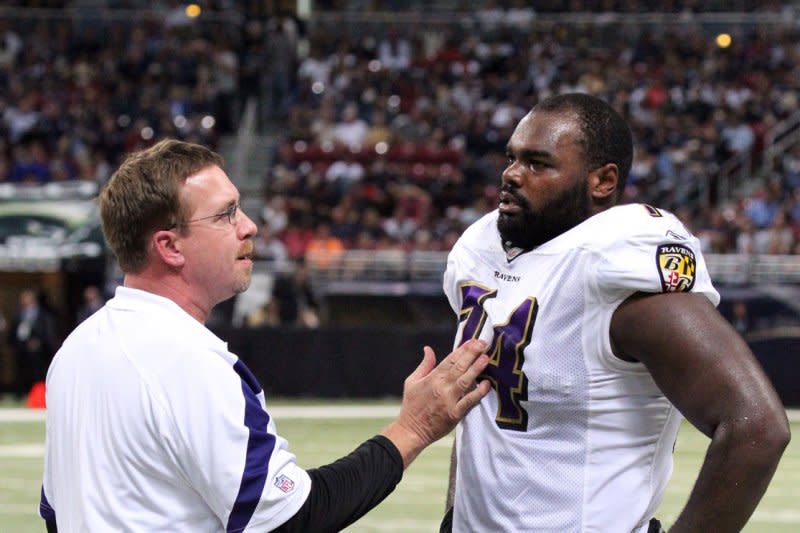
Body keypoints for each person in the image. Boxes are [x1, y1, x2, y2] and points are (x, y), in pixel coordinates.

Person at [40, 139, 492, 532]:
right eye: (225, 214)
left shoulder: (76, 349)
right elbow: (291, 519)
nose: (249, 225)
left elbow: (56, 515)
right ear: (169, 246)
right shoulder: (186, 359)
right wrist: (414, 427)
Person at [440, 93, 790, 533]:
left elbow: (757, 429)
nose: (511, 175)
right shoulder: (481, 247)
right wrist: (455, 515)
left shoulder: (617, 263)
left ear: (603, 181)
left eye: (538, 163)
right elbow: (480, 414)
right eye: (512, 158)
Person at [10, 288, 57, 399]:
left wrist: (39, 342)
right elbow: (14, 330)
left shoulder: (43, 314)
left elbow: (47, 330)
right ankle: (22, 394)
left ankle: (37, 395)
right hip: (22, 348)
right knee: (21, 372)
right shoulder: (19, 313)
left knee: (37, 373)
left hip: (38, 350)